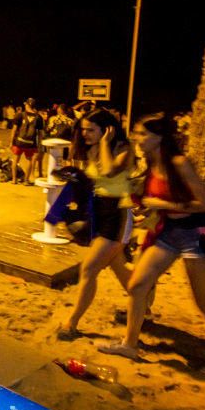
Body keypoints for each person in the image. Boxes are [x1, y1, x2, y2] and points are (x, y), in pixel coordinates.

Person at [99, 113, 205, 379]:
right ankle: (129, 344)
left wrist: (164, 205)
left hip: (194, 238)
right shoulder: (153, 162)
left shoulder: (179, 163)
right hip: (168, 234)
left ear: (160, 137)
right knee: (137, 286)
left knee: (204, 301)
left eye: (142, 134)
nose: (137, 139)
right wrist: (149, 211)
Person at [57, 109, 135, 340]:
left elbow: (109, 171)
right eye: (83, 129)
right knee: (118, 267)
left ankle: (71, 323)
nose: (85, 134)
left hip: (118, 215)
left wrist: (104, 144)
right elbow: (94, 181)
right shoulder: (91, 149)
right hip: (99, 213)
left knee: (89, 269)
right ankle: (144, 304)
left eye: (91, 129)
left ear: (107, 129)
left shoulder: (124, 149)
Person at [10, 98, 43, 184]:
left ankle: (14, 179)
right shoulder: (38, 117)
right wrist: (39, 144)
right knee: (29, 160)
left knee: (15, 160)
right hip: (30, 143)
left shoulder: (20, 115)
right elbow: (40, 133)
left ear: (27, 105)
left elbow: (14, 129)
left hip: (19, 141)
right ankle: (26, 180)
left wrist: (11, 142)